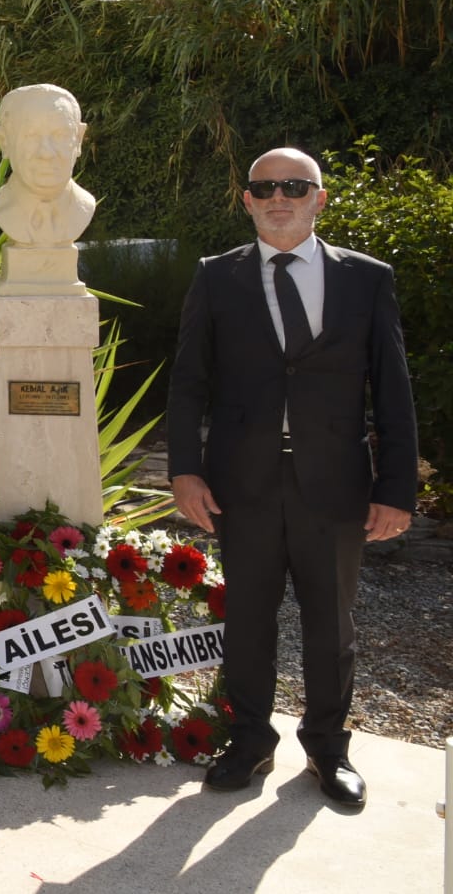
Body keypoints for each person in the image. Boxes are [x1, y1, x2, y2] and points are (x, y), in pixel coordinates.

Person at [165, 147, 417, 808]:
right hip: (241, 481)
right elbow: (188, 382)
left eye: (295, 186)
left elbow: (393, 388)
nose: (280, 196)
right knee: (247, 616)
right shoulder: (215, 277)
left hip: (334, 483)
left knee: (331, 620)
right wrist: (185, 470)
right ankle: (250, 738)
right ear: (247, 199)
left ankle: (328, 748)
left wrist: (396, 488)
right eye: (266, 187)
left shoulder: (367, 279)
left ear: (319, 199)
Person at [0, 83, 97, 246]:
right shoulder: (3, 207)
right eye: (31, 136)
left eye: (60, 135)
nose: (46, 153)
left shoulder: (83, 208)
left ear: (78, 140)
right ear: (4, 142)